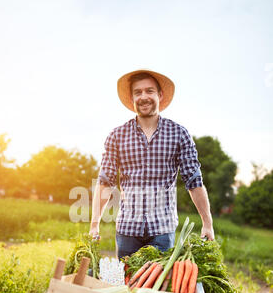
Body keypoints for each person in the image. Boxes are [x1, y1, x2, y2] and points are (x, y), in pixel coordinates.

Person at [89, 69, 214, 260]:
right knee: (126, 286)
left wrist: (207, 223)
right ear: (132, 98)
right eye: (138, 92)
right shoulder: (117, 135)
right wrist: (94, 224)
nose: (143, 97)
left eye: (149, 91)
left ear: (160, 95)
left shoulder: (179, 134)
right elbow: (105, 181)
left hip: (162, 231)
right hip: (127, 231)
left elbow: (194, 181)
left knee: (158, 288)